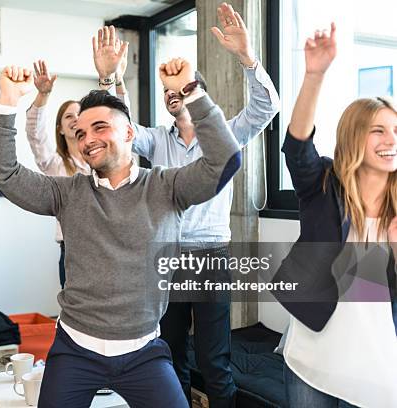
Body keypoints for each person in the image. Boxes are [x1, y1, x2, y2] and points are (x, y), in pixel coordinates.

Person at [0, 57, 241, 407]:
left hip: (143, 354)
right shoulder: (68, 193)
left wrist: (192, 91)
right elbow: (3, 173)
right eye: (80, 133)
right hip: (75, 351)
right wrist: (7, 102)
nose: (88, 139)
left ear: (130, 134)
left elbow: (225, 160)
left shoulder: (167, 186)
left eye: (100, 127)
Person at [93, 4, 279, 406]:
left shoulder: (226, 134)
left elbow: (266, 108)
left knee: (215, 361)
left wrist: (248, 57)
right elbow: (118, 127)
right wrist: (110, 79)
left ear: (200, 94)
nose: (173, 94)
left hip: (212, 256)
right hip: (167, 256)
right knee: (170, 353)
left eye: (183, 87)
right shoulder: (156, 140)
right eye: (168, 90)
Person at [274, 22, 397, 407]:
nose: (391, 139)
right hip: (314, 358)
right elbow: (296, 148)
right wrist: (314, 75)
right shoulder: (324, 186)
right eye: (378, 130)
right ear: (353, 136)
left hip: (378, 364)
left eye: (396, 130)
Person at [24, 59, 90, 288]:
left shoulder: (101, 163)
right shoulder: (55, 165)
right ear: (61, 128)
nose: (75, 119)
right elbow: (35, 134)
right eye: (69, 116)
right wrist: (43, 95)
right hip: (71, 249)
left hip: (105, 246)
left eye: (79, 115)